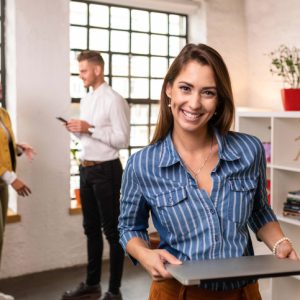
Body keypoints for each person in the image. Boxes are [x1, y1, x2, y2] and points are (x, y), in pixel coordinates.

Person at [118, 43, 299, 300]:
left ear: (219, 100)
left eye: (208, 92)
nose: (194, 103)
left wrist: (281, 243)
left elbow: (258, 210)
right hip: (176, 293)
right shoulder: (142, 164)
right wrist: (144, 254)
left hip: (243, 293)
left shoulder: (249, 150)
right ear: (169, 89)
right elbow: (129, 228)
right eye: (185, 88)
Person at [62, 50, 130, 300]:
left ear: (97, 70)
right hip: (86, 169)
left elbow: (122, 139)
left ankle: (114, 290)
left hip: (107, 170)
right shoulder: (87, 99)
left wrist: (89, 128)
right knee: (90, 229)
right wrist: (77, 130)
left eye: (83, 71)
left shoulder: (114, 100)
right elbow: (89, 137)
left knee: (112, 232)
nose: (80, 75)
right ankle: (92, 284)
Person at [0, 101, 36, 299]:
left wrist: (18, 148)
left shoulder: (3, 113)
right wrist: (12, 179)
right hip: (5, 179)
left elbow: (2, 146)